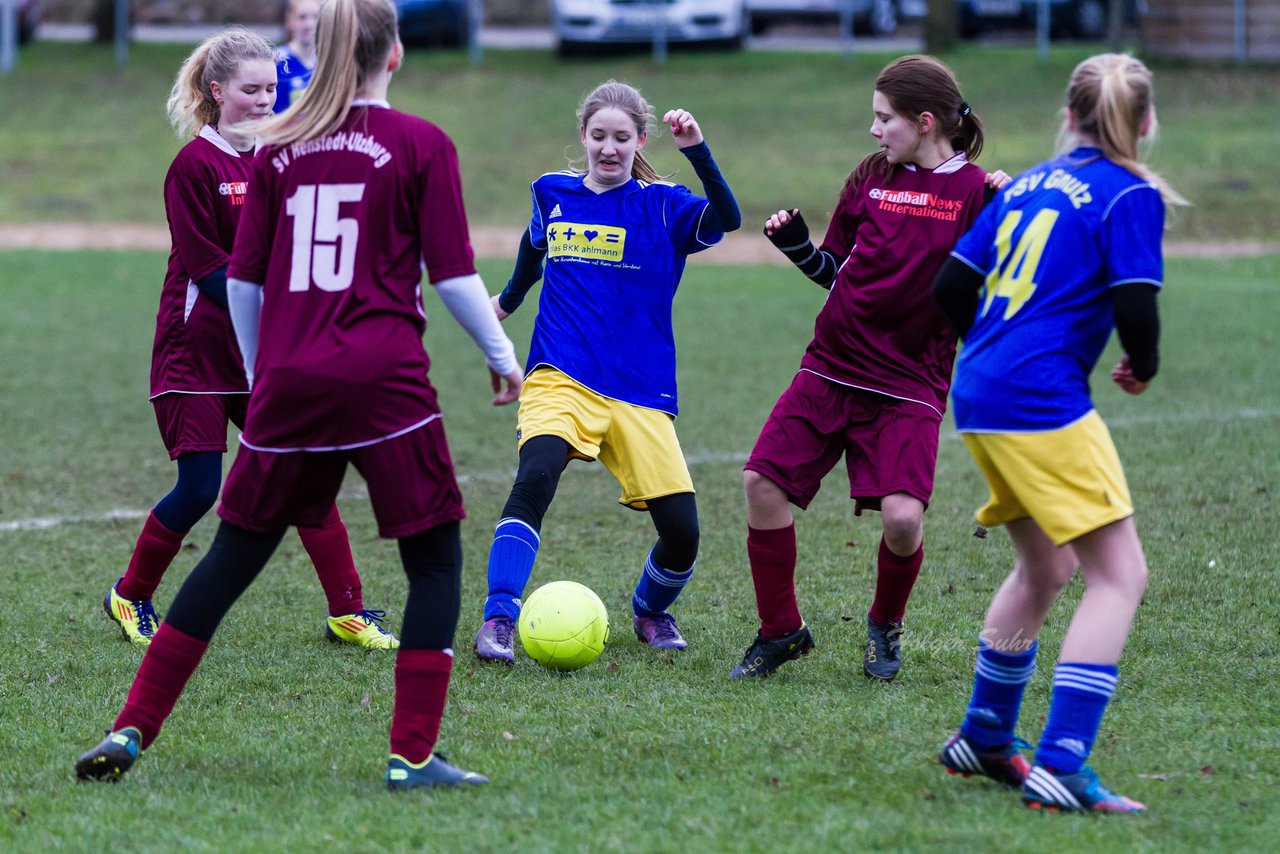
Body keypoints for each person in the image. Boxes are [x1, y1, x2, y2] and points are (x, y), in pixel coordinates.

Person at [77, 0, 523, 790]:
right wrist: (502, 354)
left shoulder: (278, 150)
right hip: (386, 382)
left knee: (228, 558)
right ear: (395, 58)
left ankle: (130, 730)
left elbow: (243, 284)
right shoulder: (421, 143)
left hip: (288, 382)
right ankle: (411, 756)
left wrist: (265, 369)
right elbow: (452, 276)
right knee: (434, 563)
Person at [934, 53, 1184, 813]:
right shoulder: (1129, 193)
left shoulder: (1024, 186)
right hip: (1040, 398)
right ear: (1144, 125)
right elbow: (1136, 304)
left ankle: (983, 734)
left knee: (1045, 569)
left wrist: (996, 355)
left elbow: (950, 290)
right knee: (1120, 576)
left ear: (1067, 117)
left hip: (978, 387)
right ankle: (1064, 764)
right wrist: (1142, 364)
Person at [105, 26, 397, 652]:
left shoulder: (279, 158)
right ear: (217, 90)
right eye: (252, 89)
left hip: (264, 353)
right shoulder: (193, 166)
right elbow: (209, 270)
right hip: (198, 353)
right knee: (201, 488)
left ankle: (348, 611)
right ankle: (129, 596)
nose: (266, 100)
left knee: (305, 475)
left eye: (272, 88)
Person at [728, 55, 1008, 683]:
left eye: (885, 119)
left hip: (910, 383)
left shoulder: (976, 192)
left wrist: (1004, 212)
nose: (875, 131)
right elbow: (835, 271)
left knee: (904, 520)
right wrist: (800, 248)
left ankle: (883, 624)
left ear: (925, 121)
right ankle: (780, 631)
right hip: (831, 366)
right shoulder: (870, 176)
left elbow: (997, 286)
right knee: (761, 484)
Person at [471, 80, 741, 664]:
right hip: (559, 373)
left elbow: (729, 217)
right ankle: (498, 619)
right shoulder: (552, 192)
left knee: (683, 532)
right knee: (536, 473)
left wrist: (697, 150)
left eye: (622, 137)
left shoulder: (664, 204)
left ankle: (650, 610)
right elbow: (534, 243)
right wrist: (510, 298)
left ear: (641, 139)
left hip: (639, 388)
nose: (609, 148)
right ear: (584, 137)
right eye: (599, 136)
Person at [273, 0, 319, 114]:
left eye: (315, 17)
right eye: (302, 17)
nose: (309, 24)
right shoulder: (276, 60)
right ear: (289, 20)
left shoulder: (326, 61)